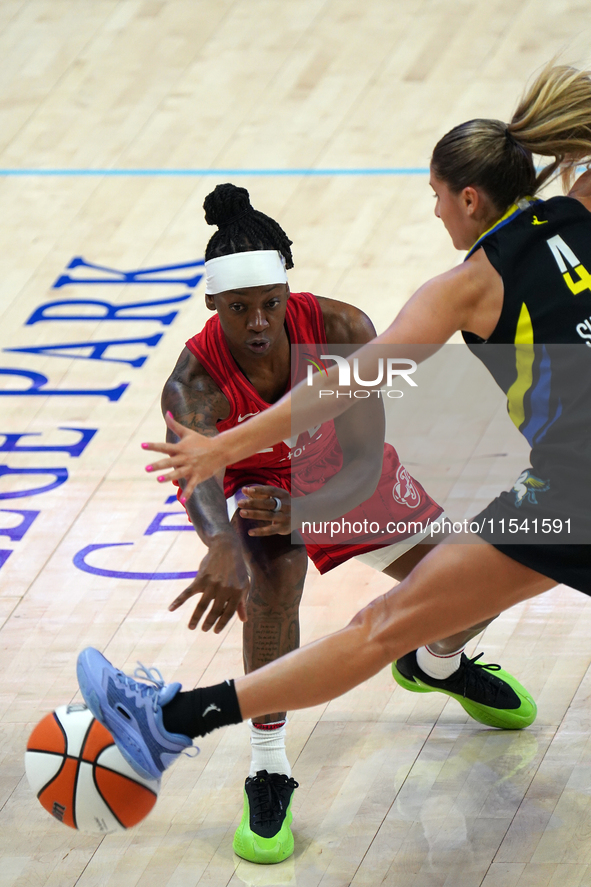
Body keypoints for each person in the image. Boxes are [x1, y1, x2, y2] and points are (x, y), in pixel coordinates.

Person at [77, 62, 591, 856]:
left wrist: (224, 446)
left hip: (554, 493)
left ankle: (171, 718)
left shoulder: (460, 288)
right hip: (559, 498)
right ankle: (297, 737)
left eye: (432, 192)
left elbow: (347, 393)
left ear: (466, 198)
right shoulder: (583, 206)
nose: (431, 209)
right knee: (339, 593)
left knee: (383, 623)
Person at [127, 182, 533, 864]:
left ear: (289, 293)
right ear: (211, 305)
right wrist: (221, 542)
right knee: (272, 581)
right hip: (256, 483)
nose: (257, 321)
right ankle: (267, 766)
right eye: (238, 308)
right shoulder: (191, 382)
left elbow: (363, 460)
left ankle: (436, 662)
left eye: (268, 303)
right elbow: (196, 476)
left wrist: (307, 511)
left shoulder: (344, 330)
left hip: (344, 471)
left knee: (476, 582)